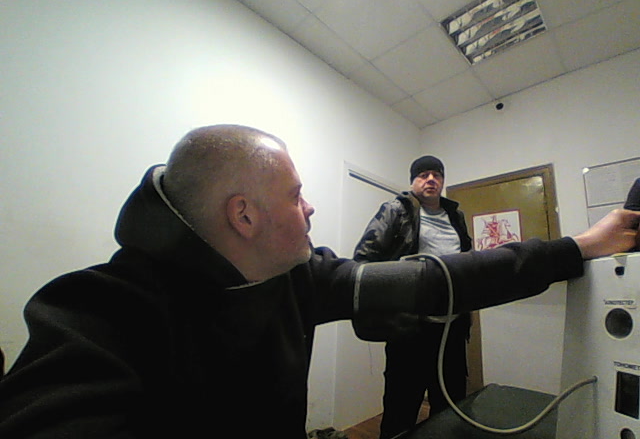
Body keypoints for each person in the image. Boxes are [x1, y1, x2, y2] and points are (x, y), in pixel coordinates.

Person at [0, 124, 638, 439]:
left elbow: (440, 277)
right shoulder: (94, 313)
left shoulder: (300, 278)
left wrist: (580, 247)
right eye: (296, 194)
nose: (310, 208)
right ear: (244, 215)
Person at [353, 155, 471, 439]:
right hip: (410, 328)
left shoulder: (456, 216)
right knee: (401, 407)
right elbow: (364, 259)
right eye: (423, 174)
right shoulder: (396, 210)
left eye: (437, 175)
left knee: (450, 406)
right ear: (412, 181)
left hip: (452, 327)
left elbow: (467, 261)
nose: (431, 179)